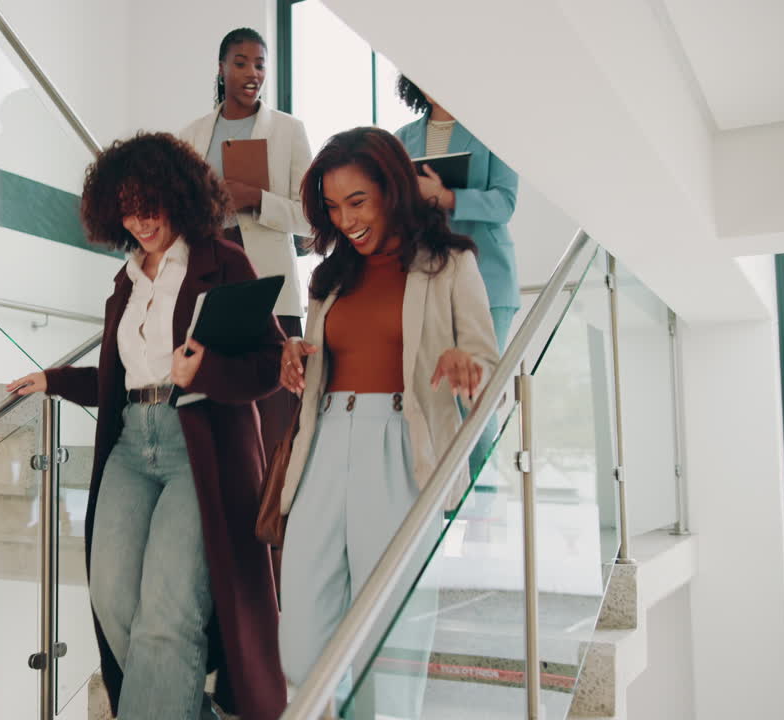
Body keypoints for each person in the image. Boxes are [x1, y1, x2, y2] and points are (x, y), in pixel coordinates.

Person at [7, 132, 287, 720]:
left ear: (178, 196)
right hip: (132, 445)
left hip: (197, 447)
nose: (140, 221)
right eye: (127, 209)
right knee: (112, 598)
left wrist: (205, 368)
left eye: (150, 204)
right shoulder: (125, 282)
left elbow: (269, 364)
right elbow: (122, 377)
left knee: (168, 611)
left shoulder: (222, 262)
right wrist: (55, 381)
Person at [274, 127, 499, 717]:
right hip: (322, 444)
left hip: (401, 447)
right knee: (301, 633)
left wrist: (465, 366)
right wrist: (295, 358)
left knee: (389, 639)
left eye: (358, 201)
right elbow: (321, 360)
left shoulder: (449, 264)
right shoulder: (329, 279)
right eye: (331, 206)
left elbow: (489, 366)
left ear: (392, 190)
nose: (345, 219)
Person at [177, 27, 313, 465]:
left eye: (260, 64)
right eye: (241, 63)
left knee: (277, 412)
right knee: (216, 404)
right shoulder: (191, 134)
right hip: (210, 277)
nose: (252, 73)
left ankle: (279, 520)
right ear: (221, 69)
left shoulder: (290, 131)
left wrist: (257, 199)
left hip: (270, 282)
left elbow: (312, 216)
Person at [391, 75, 519, 350]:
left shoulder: (492, 132)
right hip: (425, 273)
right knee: (438, 385)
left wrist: (447, 198)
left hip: (487, 272)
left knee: (481, 384)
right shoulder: (401, 139)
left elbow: (505, 203)